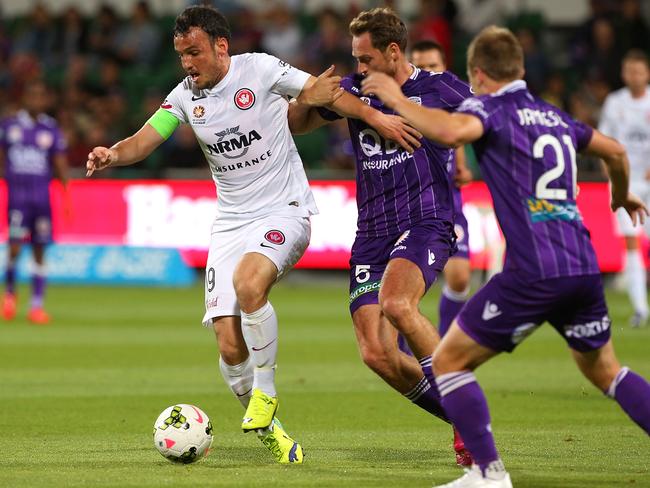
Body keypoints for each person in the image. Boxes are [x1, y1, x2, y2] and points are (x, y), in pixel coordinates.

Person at [85, 5, 419, 465]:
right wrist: (112, 154)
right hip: (230, 223)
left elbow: (322, 93)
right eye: (181, 53)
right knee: (226, 339)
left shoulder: (259, 69)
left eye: (195, 52)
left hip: (284, 210)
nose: (187, 62)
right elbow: (146, 139)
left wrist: (374, 117)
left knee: (248, 283)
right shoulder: (184, 96)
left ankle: (266, 390)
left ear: (221, 46)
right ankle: (271, 432)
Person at [363, 25, 650, 488]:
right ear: (518, 68)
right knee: (608, 372)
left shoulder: (489, 109)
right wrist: (620, 196)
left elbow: (451, 129)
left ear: (478, 74)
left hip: (533, 271)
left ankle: (488, 474)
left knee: (451, 362)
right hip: (583, 266)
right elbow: (615, 152)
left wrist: (396, 100)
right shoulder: (553, 115)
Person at [288, 8, 473, 466]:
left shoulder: (439, 87)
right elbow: (297, 125)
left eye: (366, 58)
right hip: (372, 233)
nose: (360, 67)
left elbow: (489, 120)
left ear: (394, 52)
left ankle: (469, 425)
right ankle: (463, 415)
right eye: (355, 58)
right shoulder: (353, 90)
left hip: (426, 220)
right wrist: (308, 95)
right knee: (377, 353)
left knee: (397, 303)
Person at [410, 39, 473, 338]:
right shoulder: (403, 101)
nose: (427, 73)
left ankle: (447, 345)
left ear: (444, 67)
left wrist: (460, 164)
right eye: (420, 67)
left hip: (448, 200)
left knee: (460, 277)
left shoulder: (450, 95)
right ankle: (407, 353)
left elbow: (453, 131)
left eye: (433, 66)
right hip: (410, 203)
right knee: (405, 287)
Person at [0, 79, 69, 325]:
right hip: (18, 200)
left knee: (40, 249)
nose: (36, 100)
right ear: (25, 98)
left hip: (41, 201)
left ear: (46, 100)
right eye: (33, 95)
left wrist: (66, 194)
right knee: (15, 247)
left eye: (41, 96)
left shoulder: (50, 129)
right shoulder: (10, 126)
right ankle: (9, 296)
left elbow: (60, 164)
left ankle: (36, 306)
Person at [598, 49, 650, 327]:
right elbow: (605, 141)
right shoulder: (615, 102)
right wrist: (613, 175)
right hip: (625, 183)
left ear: (647, 73)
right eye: (629, 71)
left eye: (639, 71)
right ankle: (641, 308)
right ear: (623, 73)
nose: (634, 76)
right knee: (631, 243)